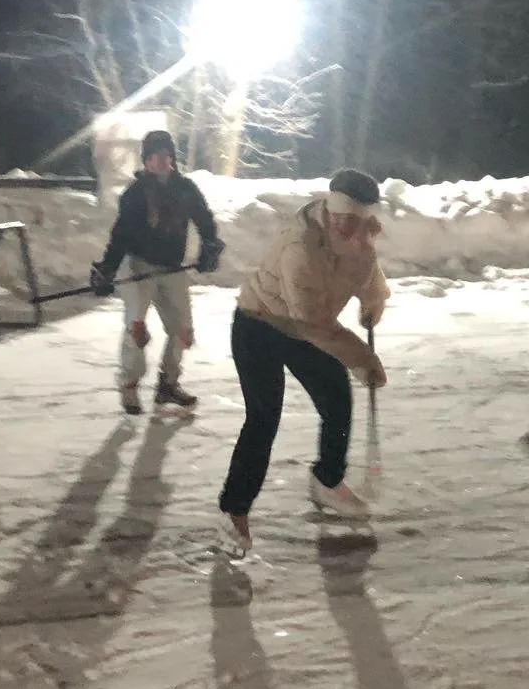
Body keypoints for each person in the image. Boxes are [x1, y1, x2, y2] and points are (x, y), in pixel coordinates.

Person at [219, 167, 390, 553]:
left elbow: (369, 273)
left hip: (305, 325)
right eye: (342, 223)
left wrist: (374, 301)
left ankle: (327, 481)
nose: (349, 232)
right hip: (259, 324)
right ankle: (234, 512)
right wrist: (363, 359)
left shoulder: (360, 237)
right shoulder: (301, 248)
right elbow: (314, 324)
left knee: (336, 397)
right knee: (263, 419)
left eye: (357, 224)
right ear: (330, 213)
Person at [90, 128, 223, 415]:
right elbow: (121, 234)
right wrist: (109, 267)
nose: (161, 161)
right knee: (136, 327)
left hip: (172, 267)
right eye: (154, 156)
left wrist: (210, 246)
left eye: (165, 155)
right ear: (146, 161)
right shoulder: (136, 194)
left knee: (182, 328)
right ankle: (129, 384)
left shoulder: (186, 189)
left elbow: (205, 220)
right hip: (139, 264)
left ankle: (168, 384)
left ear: (172, 158)